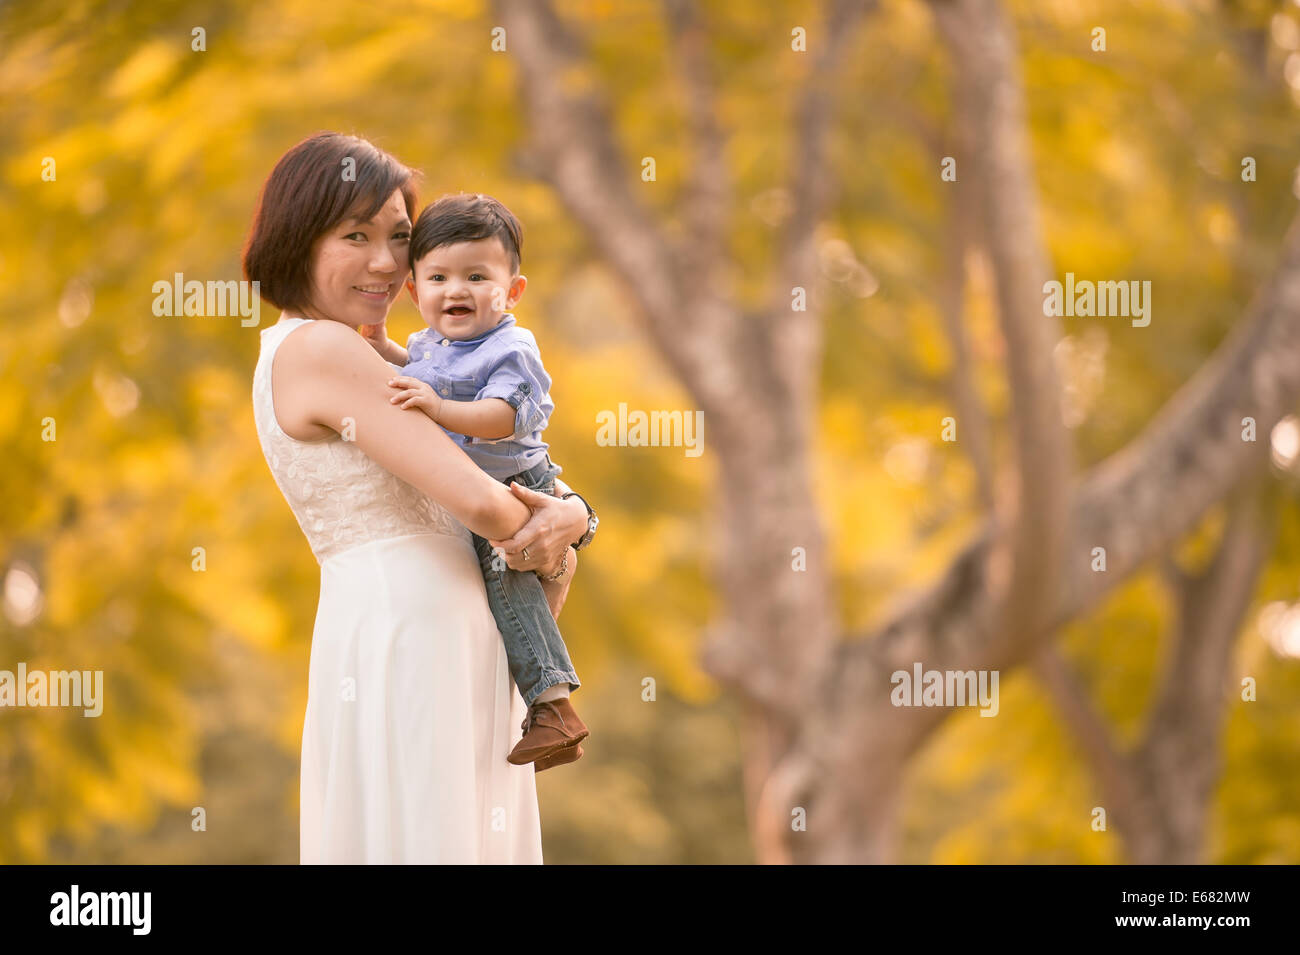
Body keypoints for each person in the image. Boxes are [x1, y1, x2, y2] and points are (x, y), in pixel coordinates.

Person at [243, 132, 596, 863]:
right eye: (355, 235)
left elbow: (514, 476)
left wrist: (574, 515)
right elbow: (495, 508)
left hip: (439, 630)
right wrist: (572, 519)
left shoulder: (384, 355)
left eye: (400, 237)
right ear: (298, 238)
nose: (384, 260)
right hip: (411, 631)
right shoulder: (320, 349)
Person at [366, 192, 592, 771]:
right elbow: (417, 372)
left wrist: (437, 409)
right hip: (483, 492)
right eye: (438, 276)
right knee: (501, 591)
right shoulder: (430, 343)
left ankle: (553, 705)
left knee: (508, 582)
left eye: (476, 275)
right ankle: (538, 709)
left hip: (517, 482)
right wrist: (378, 348)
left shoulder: (511, 348)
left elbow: (501, 417)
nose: (456, 290)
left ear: (511, 291)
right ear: (414, 290)